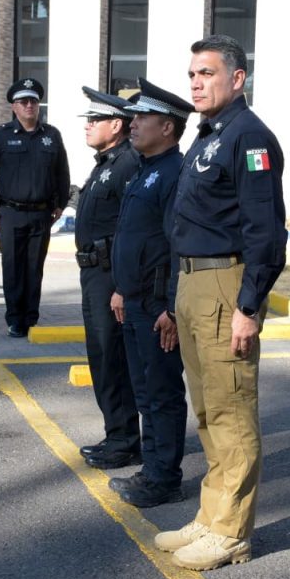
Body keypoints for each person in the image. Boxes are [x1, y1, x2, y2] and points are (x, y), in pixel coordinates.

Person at [154, 35, 287, 571]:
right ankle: (211, 517)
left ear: (237, 78)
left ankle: (231, 532)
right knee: (207, 409)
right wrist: (172, 298)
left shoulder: (250, 138)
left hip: (225, 286)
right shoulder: (209, 135)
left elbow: (266, 233)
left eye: (206, 73)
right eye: (192, 74)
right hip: (191, 284)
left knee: (231, 411)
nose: (195, 82)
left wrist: (249, 307)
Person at [108, 78, 193, 507]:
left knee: (161, 391)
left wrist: (170, 308)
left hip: (157, 305)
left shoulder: (175, 173)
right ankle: (152, 469)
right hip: (135, 299)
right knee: (145, 389)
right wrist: (122, 289)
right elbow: (133, 236)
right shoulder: (145, 170)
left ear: (168, 128)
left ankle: (165, 478)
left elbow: (175, 246)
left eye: (143, 117)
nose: (133, 123)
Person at [70, 86, 141, 470]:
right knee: (101, 357)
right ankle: (117, 432)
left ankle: (125, 439)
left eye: (95, 120)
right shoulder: (106, 162)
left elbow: (130, 231)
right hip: (94, 272)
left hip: (109, 274)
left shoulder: (127, 163)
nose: (88, 126)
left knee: (112, 358)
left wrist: (121, 286)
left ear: (116, 124)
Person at [0, 77, 70, 337]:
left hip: (41, 213)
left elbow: (62, 172)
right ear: (14, 107)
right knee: (13, 267)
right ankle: (15, 319)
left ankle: (31, 317)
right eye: (23, 101)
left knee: (34, 267)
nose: (29, 105)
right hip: (11, 213)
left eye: (34, 101)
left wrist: (61, 203)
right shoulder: (1, 135)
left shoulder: (51, 135)